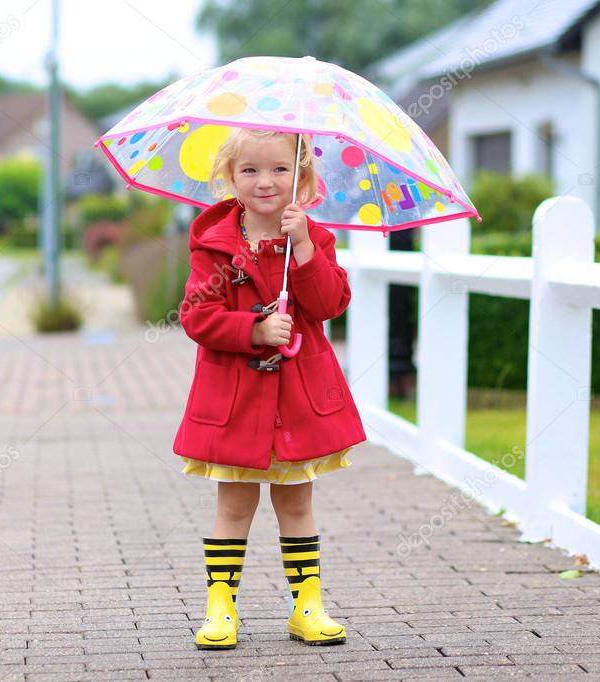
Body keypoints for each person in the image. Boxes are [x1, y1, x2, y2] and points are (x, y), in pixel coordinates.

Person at [172, 128, 367, 650]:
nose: (265, 181)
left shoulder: (314, 239)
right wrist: (254, 331)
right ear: (229, 177)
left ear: (301, 175)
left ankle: (307, 605)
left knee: (296, 506)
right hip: (235, 400)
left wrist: (302, 248)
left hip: (295, 403)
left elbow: (329, 304)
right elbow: (196, 316)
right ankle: (221, 606)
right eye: (250, 170)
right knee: (234, 506)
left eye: (280, 169)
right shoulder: (214, 243)